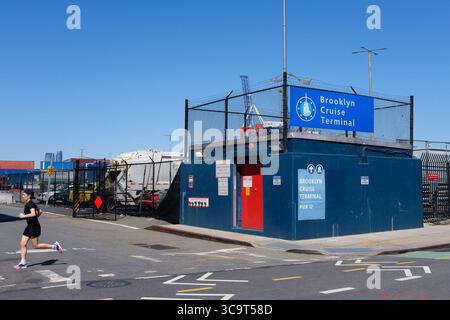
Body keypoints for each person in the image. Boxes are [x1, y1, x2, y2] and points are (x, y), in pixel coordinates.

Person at [14, 190, 63, 270]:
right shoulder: (30, 203)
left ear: (29, 196)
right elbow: (40, 211)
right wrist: (34, 218)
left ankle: (55, 246)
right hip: (30, 226)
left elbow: (33, 214)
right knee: (23, 243)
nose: (23, 196)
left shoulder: (30, 204)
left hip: (34, 228)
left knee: (35, 246)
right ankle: (23, 263)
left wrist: (23, 216)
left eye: (24, 195)